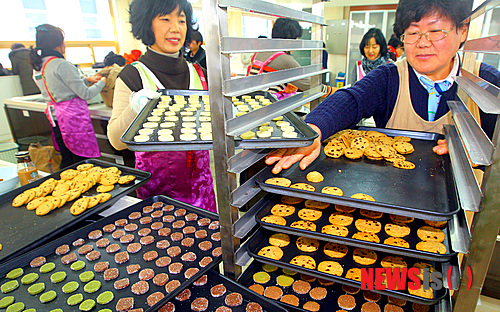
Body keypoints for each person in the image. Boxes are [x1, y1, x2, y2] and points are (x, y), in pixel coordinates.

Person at [266, 0, 499, 175]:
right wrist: (314, 130)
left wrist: (482, 152)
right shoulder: (390, 77)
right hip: (393, 199)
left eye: (435, 31)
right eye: (413, 32)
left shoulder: (486, 83)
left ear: (463, 30)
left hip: (461, 221)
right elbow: (352, 99)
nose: (423, 42)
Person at [107, 0, 216, 213]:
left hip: (203, 190)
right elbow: (114, 140)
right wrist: (136, 108)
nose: (175, 28)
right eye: (165, 19)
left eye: (181, 20)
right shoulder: (133, 75)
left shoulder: (200, 72)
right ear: (147, 24)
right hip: (158, 195)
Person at [30, 24, 106, 169]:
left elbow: (59, 86)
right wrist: (102, 83)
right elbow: (86, 94)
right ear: (57, 44)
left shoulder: (39, 66)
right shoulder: (61, 64)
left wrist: (86, 80)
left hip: (55, 117)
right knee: (82, 160)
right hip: (72, 118)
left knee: (67, 158)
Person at [247, 18, 336, 99]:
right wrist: (337, 91)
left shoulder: (261, 53)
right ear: (291, 40)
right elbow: (312, 86)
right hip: (266, 107)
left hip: (250, 101)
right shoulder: (285, 60)